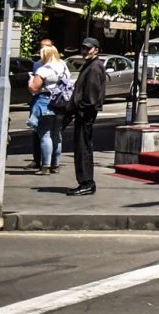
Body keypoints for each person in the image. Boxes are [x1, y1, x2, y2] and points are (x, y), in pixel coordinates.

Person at [68, 38, 107, 197]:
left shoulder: (94, 67)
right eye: (83, 48)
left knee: (83, 149)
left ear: (96, 50)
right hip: (84, 114)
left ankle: (86, 182)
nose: (84, 51)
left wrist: (80, 108)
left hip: (85, 114)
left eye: (88, 49)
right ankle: (85, 182)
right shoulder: (91, 65)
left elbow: (91, 97)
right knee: (82, 147)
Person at [27, 41, 72, 175]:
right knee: (57, 135)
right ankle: (55, 165)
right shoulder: (63, 66)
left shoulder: (43, 69)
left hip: (45, 102)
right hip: (61, 103)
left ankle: (45, 166)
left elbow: (33, 88)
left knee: (45, 135)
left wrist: (30, 80)